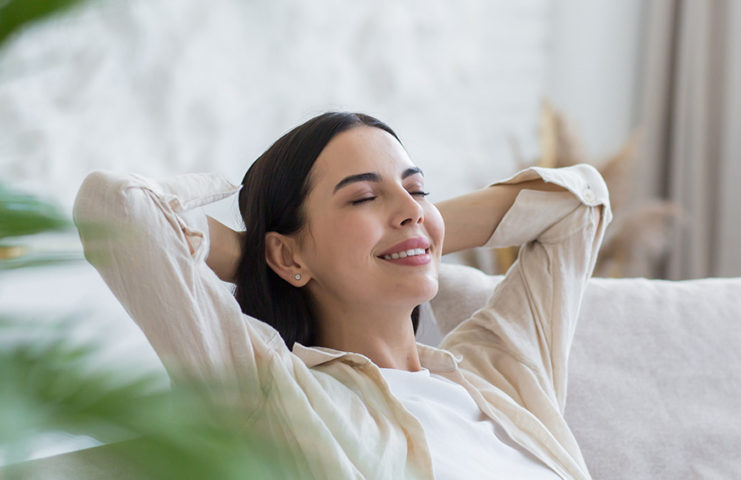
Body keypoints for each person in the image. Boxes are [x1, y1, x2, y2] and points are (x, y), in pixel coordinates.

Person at [74, 111, 611, 479]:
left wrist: (419, 232)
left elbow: (578, 207)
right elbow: (117, 207)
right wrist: (262, 256)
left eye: (417, 189)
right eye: (363, 197)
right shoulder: (271, 393)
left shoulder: (503, 375)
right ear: (287, 255)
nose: (411, 207)